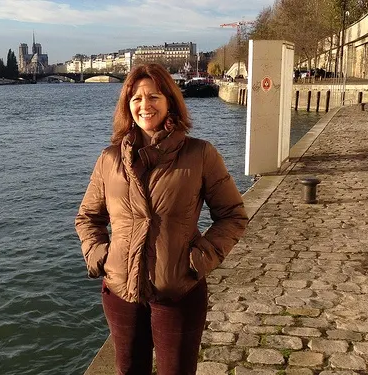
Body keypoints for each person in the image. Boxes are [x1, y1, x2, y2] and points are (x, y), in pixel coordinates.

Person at [75, 63, 248, 375]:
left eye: (153, 97)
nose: (145, 106)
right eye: (136, 99)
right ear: (127, 106)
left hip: (178, 290)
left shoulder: (199, 154)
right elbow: (88, 217)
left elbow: (233, 215)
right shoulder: (110, 159)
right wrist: (100, 255)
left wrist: (200, 258)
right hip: (120, 289)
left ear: (170, 100)